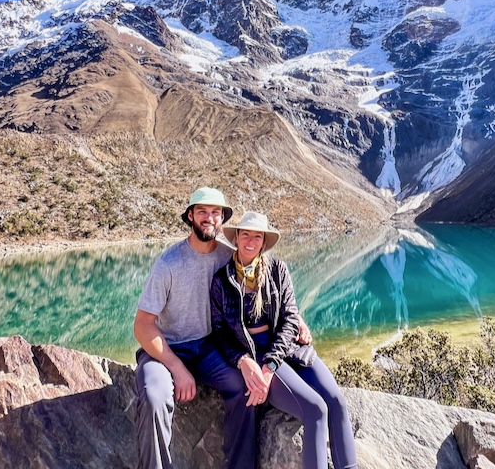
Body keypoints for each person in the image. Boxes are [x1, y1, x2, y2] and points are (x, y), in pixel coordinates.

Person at [209, 211, 359, 469]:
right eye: (245, 235)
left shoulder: (278, 270)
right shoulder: (223, 280)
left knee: (336, 401)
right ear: (236, 239)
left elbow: (290, 318)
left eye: (257, 236)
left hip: (285, 349)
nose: (250, 241)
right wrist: (244, 361)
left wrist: (271, 367)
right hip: (253, 353)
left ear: (264, 242)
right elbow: (220, 332)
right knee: (315, 409)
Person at [132, 187, 256, 469]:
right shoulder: (169, 263)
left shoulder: (228, 258)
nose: (209, 218)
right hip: (166, 348)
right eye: (202, 211)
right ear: (190, 216)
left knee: (244, 388)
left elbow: (264, 289)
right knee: (154, 396)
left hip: (210, 347)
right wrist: (176, 367)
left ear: (222, 219)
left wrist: (294, 320)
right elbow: (143, 326)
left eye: (216, 212)